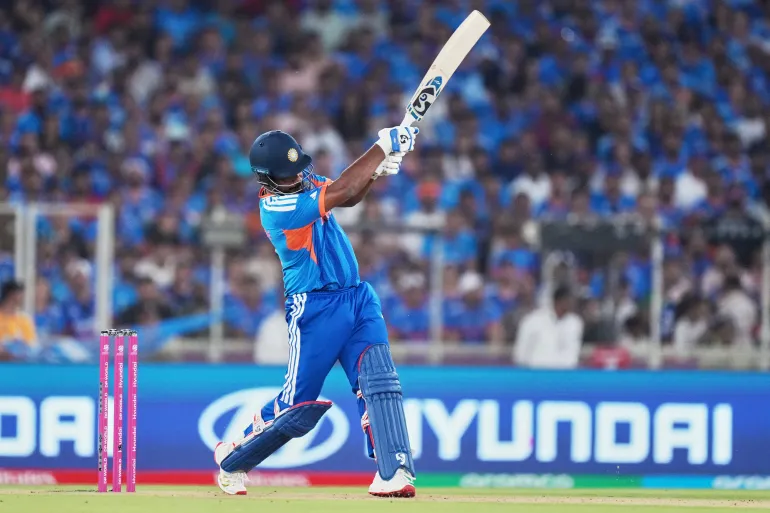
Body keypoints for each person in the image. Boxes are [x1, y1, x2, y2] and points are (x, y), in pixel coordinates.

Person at [214, 126, 419, 498]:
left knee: (380, 382)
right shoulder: (275, 208)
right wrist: (381, 147)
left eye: (297, 170)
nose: (295, 177)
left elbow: (350, 197)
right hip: (314, 309)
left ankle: (394, 471)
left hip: (357, 296)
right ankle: (233, 460)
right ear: (266, 179)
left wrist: (377, 169)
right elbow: (340, 190)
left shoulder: (302, 179)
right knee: (297, 406)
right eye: (286, 175)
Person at [514, 286, 584, 369]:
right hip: (536, 374)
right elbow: (520, 353)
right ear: (558, 301)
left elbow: (573, 353)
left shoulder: (575, 323)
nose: (571, 303)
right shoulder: (532, 320)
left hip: (565, 375)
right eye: (568, 300)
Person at [0, 281, 38, 360]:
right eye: (18, 294)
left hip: (18, 362)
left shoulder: (24, 319)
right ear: (10, 295)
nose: (21, 297)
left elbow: (31, 344)